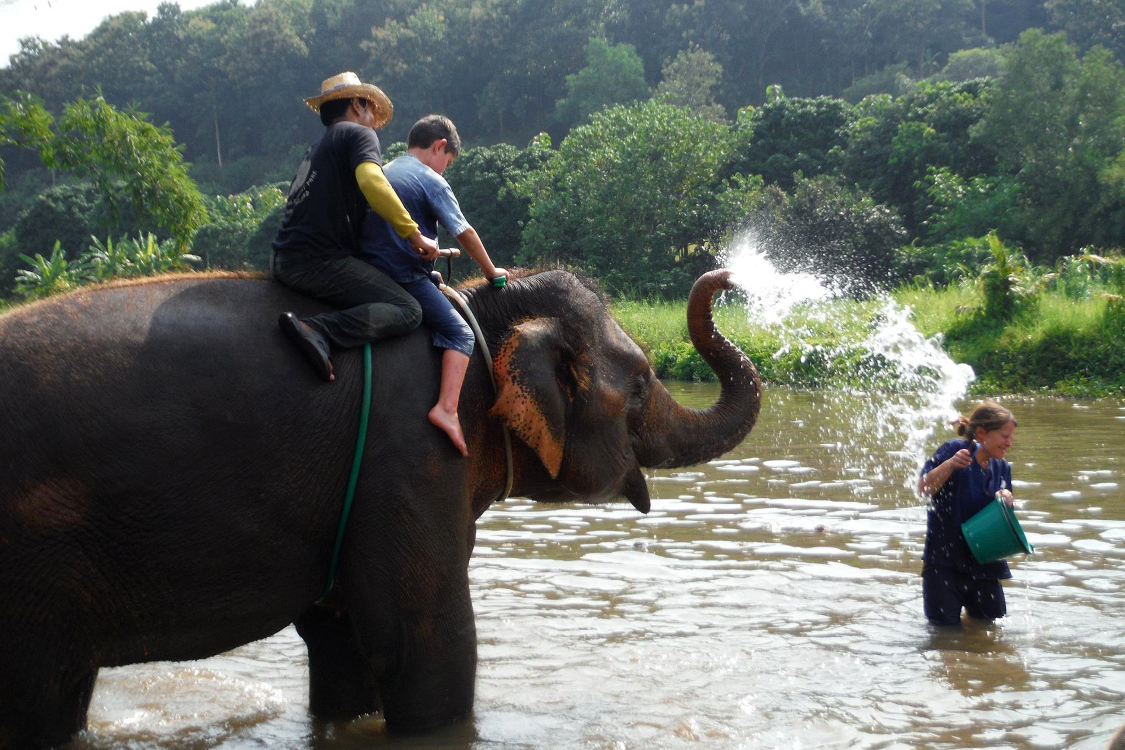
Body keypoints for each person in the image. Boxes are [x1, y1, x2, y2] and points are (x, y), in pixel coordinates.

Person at [272, 72, 440, 382]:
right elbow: (372, 182)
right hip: (317, 260)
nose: (375, 120)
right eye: (372, 109)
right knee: (408, 310)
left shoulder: (321, 145)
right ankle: (319, 329)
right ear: (356, 104)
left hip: (288, 256)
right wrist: (414, 234)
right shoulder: (358, 134)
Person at [359, 115, 506, 456]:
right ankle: (446, 409)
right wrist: (489, 270)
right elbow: (463, 232)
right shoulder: (430, 179)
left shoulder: (385, 170)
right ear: (440, 146)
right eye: (448, 163)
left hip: (368, 272)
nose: (445, 170)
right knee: (461, 334)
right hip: (402, 277)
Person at [917, 401, 1018, 626]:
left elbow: (1005, 520)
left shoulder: (1002, 468)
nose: (1009, 443)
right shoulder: (955, 450)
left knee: (991, 631)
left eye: (1010, 437)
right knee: (944, 640)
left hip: (986, 565)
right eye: (1005, 436)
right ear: (982, 433)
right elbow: (923, 489)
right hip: (945, 564)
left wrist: (1006, 500)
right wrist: (950, 465)